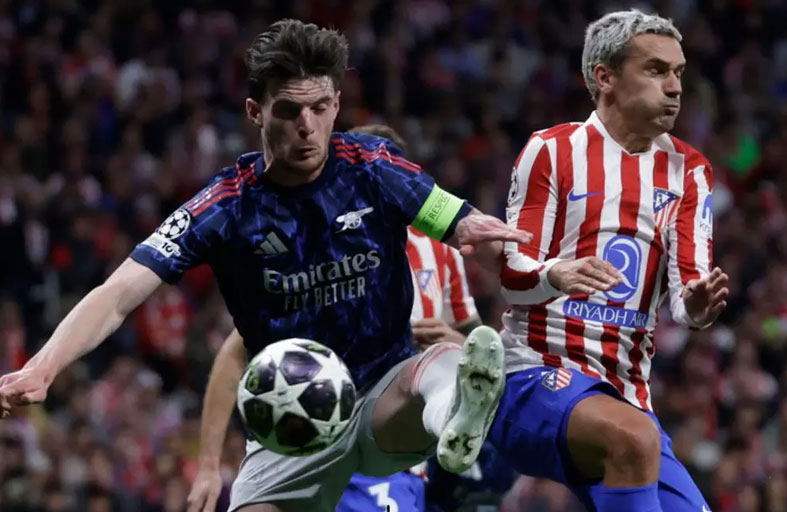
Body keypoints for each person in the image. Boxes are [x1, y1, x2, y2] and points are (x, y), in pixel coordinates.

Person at [0, 19, 532, 512]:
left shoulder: (374, 165)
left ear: (337, 103)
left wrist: (497, 244)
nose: (307, 127)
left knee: (440, 359)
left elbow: (464, 225)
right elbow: (118, 294)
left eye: (320, 107)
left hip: (384, 398)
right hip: (289, 420)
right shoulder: (224, 206)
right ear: (256, 112)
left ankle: (455, 412)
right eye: (289, 111)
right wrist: (44, 367)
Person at [487, 9, 729, 512]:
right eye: (656, 70)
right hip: (533, 376)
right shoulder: (551, 150)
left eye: (678, 72)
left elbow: (688, 293)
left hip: (626, 398)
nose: (674, 87)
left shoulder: (690, 171)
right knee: (633, 438)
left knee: (641, 445)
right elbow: (513, 275)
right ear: (606, 77)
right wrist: (556, 273)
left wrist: (697, 306)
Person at [186, 124, 488, 512]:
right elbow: (236, 353)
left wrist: (453, 345)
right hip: (310, 440)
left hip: (392, 456)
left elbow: (482, 349)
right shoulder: (321, 248)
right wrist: (209, 465)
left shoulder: (443, 251)